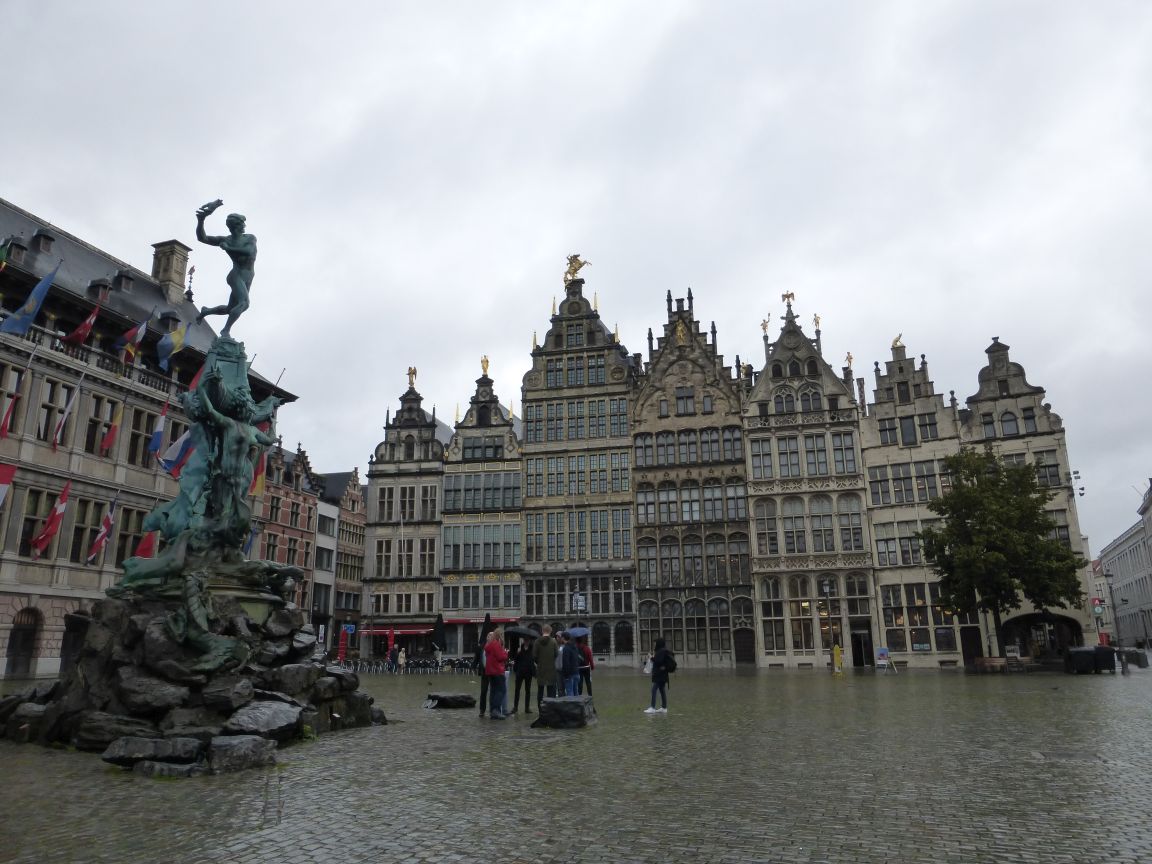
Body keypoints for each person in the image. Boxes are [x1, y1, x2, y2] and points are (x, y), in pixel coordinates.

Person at [194, 199, 256, 338]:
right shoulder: (226, 240)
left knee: (230, 309)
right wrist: (201, 220)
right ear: (236, 226)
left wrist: (228, 248)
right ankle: (225, 330)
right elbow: (202, 238)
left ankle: (206, 311)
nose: (244, 225)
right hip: (236, 275)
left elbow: (248, 252)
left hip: (249, 275)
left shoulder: (250, 238)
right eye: (242, 223)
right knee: (244, 303)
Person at [483, 629, 509, 719]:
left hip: (490, 671)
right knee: (501, 690)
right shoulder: (496, 644)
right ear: (499, 635)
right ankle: (496, 710)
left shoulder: (489, 645)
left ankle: (492, 711)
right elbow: (500, 657)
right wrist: (505, 653)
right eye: (501, 635)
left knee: (493, 691)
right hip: (497, 671)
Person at [645, 638, 674, 714]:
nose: (654, 645)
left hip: (660, 675)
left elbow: (658, 662)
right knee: (662, 690)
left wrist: (651, 657)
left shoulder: (661, 651)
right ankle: (664, 708)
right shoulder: (662, 651)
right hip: (663, 675)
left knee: (654, 689)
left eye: (655, 643)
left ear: (659, 643)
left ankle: (652, 707)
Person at [532, 625, 558, 707]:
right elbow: (556, 654)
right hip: (551, 669)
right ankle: (551, 708)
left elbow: (534, 656)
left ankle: (541, 709)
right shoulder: (553, 642)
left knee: (540, 691)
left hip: (541, 669)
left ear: (542, 631)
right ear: (550, 631)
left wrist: (539, 663)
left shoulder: (537, 642)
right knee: (551, 691)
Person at [511, 640, 535, 715]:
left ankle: (527, 708)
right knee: (517, 690)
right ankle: (515, 707)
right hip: (520, 673)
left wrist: (533, 672)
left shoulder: (532, 650)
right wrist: (517, 653)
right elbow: (516, 660)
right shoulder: (520, 650)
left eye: (528, 640)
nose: (526, 641)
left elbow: (533, 660)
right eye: (525, 640)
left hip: (528, 673)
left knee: (528, 691)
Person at [559, 632, 582, 696]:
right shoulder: (575, 647)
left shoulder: (566, 648)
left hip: (569, 674)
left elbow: (566, 663)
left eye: (561, 638)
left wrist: (566, 675)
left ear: (563, 638)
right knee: (576, 692)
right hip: (576, 672)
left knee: (570, 693)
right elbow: (578, 659)